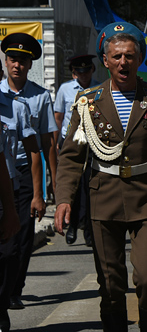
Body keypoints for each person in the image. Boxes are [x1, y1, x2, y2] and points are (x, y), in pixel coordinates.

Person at [54, 21, 147, 332]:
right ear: (105, 60)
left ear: (139, 58)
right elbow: (73, 157)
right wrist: (64, 200)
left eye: (129, 56)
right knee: (111, 284)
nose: (123, 62)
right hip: (104, 199)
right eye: (116, 57)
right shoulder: (88, 103)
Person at [0, 33, 53, 311]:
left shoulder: (38, 97)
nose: (16, 65)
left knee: (19, 239)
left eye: (22, 60)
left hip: (19, 174)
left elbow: (44, 145)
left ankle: (12, 291)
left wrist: (42, 191)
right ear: (5, 62)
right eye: (12, 59)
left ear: (30, 64)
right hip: (4, 173)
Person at [0, 60, 39, 332]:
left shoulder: (16, 108)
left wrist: (38, 193)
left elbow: (33, 150)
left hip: (9, 187)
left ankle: (2, 303)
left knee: (9, 253)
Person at [54, 54, 100, 246]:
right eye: (79, 72)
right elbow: (58, 117)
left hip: (93, 142)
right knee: (73, 186)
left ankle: (89, 230)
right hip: (71, 140)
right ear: (74, 73)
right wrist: (57, 142)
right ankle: (72, 224)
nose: (83, 75)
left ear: (92, 70)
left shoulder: (100, 88)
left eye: (86, 70)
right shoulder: (65, 89)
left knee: (89, 186)